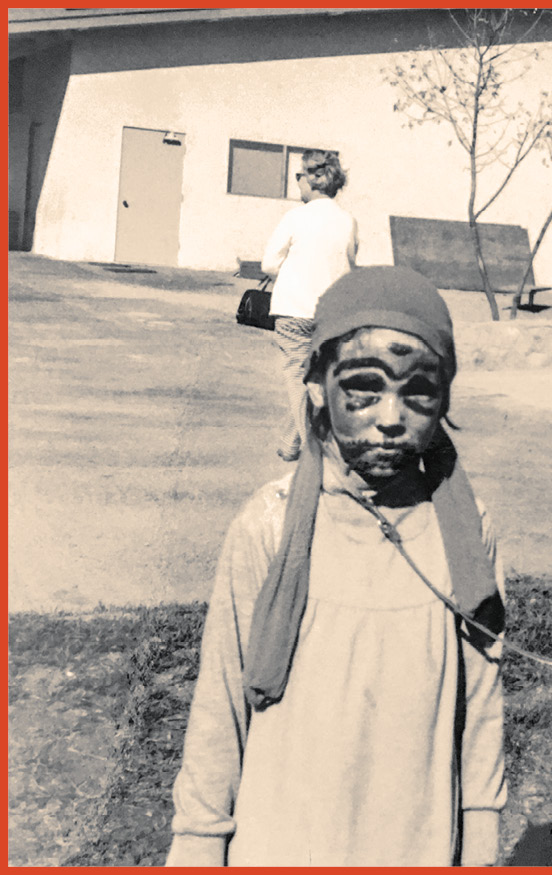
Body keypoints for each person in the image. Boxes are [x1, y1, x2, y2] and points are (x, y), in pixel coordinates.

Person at [167, 267, 505, 866]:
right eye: (364, 388)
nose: (392, 416)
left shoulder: (465, 531)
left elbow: (479, 704)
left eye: (418, 391)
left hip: (413, 842)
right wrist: (197, 843)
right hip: (282, 840)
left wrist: (479, 842)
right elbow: (220, 704)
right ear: (320, 386)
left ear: (444, 397)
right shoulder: (269, 526)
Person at [261, 149, 359, 462]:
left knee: (297, 381)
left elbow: (269, 264)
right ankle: (290, 443)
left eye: (298, 177)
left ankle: (313, 455)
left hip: (293, 312)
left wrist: (296, 270)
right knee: (313, 378)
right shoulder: (347, 221)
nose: (297, 183)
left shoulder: (295, 217)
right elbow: (351, 265)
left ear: (312, 180)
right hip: (332, 316)